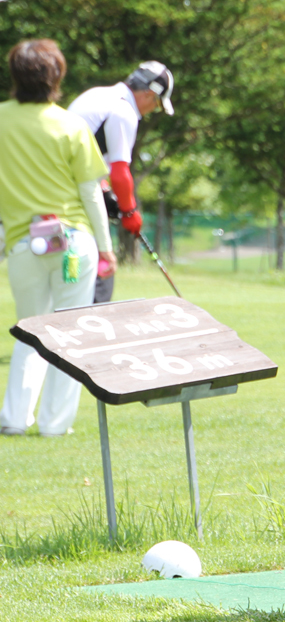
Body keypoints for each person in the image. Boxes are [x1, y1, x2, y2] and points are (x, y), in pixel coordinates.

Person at [0, 40, 115, 436]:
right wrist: (107, 249)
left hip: (22, 244)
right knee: (70, 335)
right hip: (73, 244)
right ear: (56, 76)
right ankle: (54, 424)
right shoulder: (71, 125)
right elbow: (90, 193)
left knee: (29, 330)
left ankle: (14, 418)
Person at [67, 60, 174, 302]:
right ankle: (90, 317)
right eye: (157, 104)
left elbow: (87, 155)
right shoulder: (124, 110)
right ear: (149, 94)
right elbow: (119, 172)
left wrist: (104, 188)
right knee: (103, 269)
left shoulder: (97, 95)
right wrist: (130, 212)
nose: (153, 110)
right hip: (76, 196)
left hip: (59, 188)